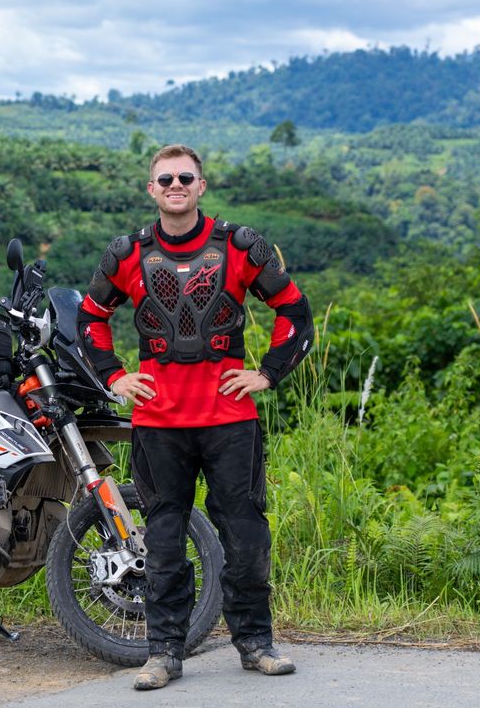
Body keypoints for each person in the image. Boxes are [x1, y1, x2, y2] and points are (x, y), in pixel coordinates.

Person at [78, 144, 314, 691]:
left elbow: (294, 311)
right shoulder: (127, 255)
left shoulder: (239, 246)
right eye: (166, 179)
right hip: (159, 423)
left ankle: (255, 644)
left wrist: (269, 373)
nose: (176, 185)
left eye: (186, 177)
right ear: (152, 189)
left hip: (230, 418)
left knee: (246, 534)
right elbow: (91, 320)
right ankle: (163, 653)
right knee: (161, 541)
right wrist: (115, 378)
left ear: (201, 186)